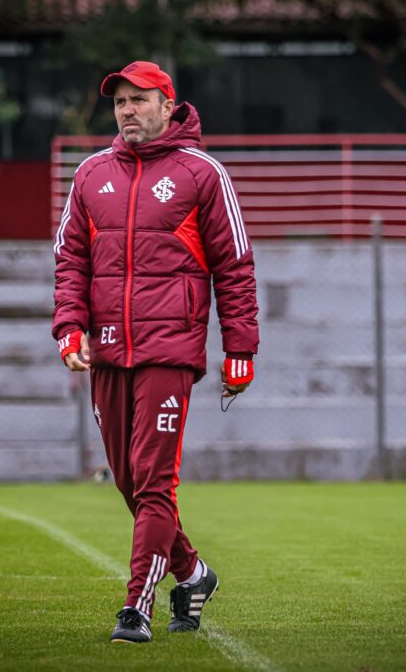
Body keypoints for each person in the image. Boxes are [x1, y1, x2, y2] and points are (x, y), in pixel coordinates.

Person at [52, 61, 259, 644]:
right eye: (119, 101)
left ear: (169, 106)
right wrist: (69, 328)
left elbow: (235, 266)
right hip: (108, 353)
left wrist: (239, 348)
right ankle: (192, 573)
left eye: (139, 99)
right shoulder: (91, 175)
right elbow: (70, 262)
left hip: (171, 350)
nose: (127, 110)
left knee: (153, 484)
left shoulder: (204, 174)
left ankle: (136, 607)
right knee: (128, 480)